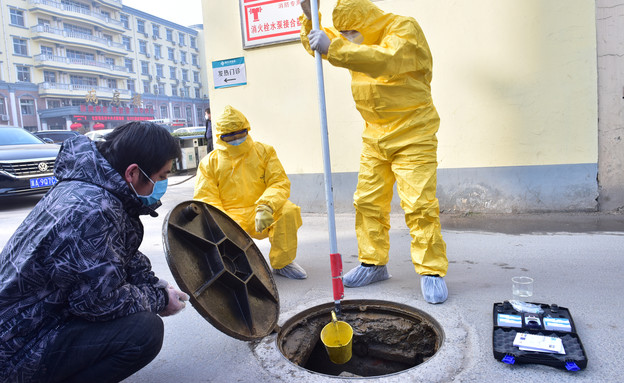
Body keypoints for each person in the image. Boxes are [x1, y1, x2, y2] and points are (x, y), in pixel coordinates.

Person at [0, 122, 190, 383]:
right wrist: (158, 299)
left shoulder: (89, 187)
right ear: (133, 173)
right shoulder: (93, 210)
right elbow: (98, 302)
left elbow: (117, 254)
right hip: (15, 349)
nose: (162, 185)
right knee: (143, 331)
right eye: (161, 177)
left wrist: (155, 284)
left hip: (25, 325)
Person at [300, 0, 449, 304]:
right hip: (374, 135)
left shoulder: (403, 28)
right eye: (344, 33)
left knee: (419, 204)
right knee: (367, 202)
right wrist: (309, 17)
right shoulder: (356, 40)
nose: (347, 38)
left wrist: (337, 48)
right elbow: (321, 45)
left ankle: (431, 271)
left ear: (368, 22)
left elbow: (386, 59)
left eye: (352, 32)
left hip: (413, 132)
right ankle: (373, 263)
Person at [193, 105, 307, 280]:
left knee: (288, 211)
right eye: (230, 135)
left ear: (247, 129)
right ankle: (237, 267)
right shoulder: (209, 163)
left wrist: (267, 206)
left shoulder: (265, 152)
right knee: (214, 224)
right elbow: (206, 199)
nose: (236, 138)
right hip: (230, 216)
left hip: (261, 210)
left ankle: (283, 263)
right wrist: (222, 221)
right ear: (220, 136)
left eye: (240, 133)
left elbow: (279, 182)